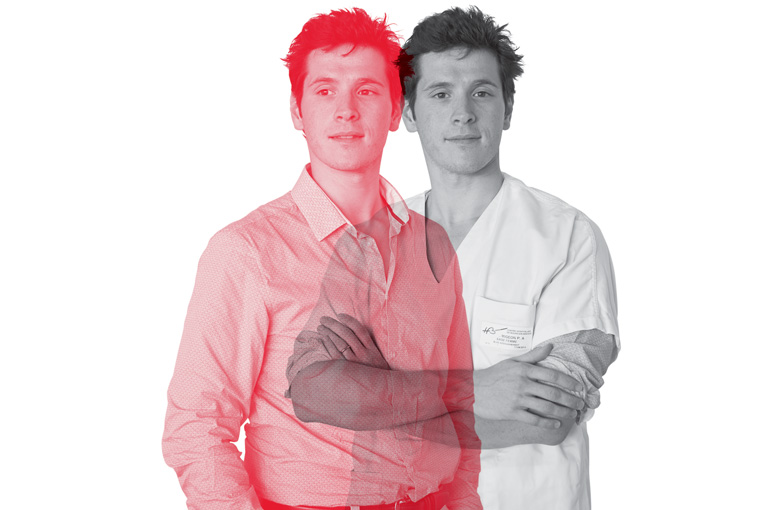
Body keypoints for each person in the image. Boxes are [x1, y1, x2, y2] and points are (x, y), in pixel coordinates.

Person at [162, 8, 481, 510]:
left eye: (367, 90)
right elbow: (196, 426)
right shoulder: (246, 252)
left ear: (396, 110)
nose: (346, 110)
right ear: (297, 110)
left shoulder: (433, 245)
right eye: (325, 90)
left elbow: (460, 402)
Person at [399, 7, 620, 509]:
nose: (463, 113)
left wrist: (389, 410)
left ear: (508, 109)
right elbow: (330, 395)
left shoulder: (567, 239)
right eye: (440, 94)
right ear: (409, 113)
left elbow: (550, 415)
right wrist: (480, 391)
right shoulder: (371, 243)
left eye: (481, 92)